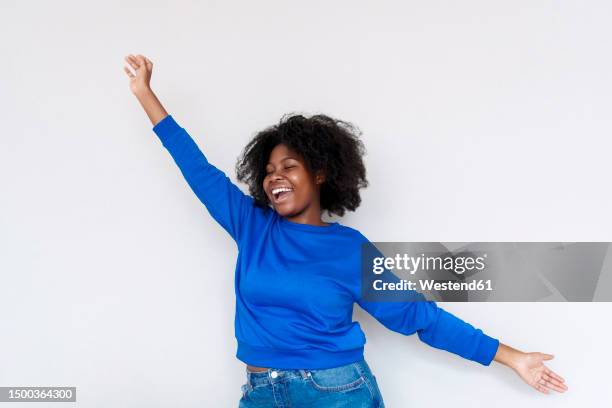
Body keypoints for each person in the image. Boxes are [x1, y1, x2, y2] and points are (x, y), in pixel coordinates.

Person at [123, 54, 568, 407]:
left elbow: (417, 316)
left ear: (319, 174)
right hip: (260, 391)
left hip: (336, 393)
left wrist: (510, 357)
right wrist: (146, 94)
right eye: (269, 170)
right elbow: (197, 169)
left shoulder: (348, 250)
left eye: (289, 167)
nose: (275, 177)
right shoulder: (252, 227)